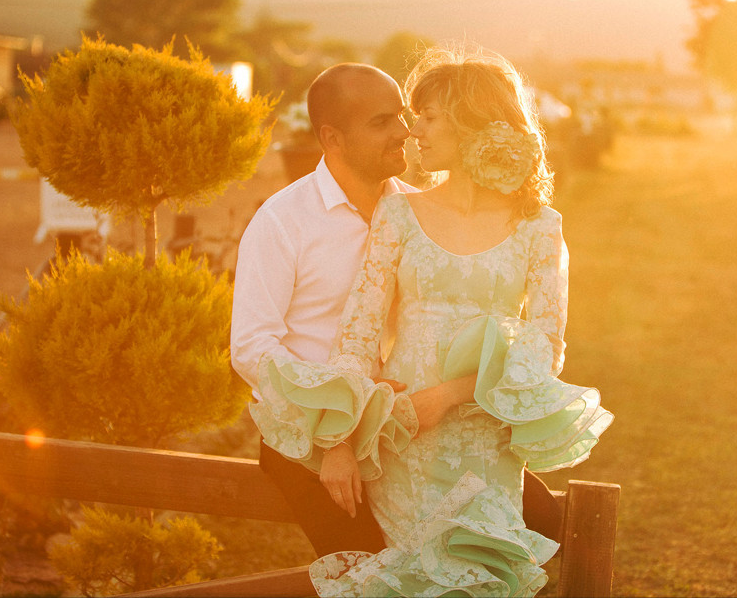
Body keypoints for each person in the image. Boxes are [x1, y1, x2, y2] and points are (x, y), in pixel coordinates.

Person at [249, 47, 613, 596]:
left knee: (479, 580)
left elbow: (544, 347)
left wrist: (448, 395)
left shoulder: (539, 227)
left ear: (472, 123)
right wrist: (342, 436)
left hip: (483, 441)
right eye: (403, 117)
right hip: (399, 440)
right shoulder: (398, 214)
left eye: (427, 116)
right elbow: (357, 336)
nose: (411, 130)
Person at [231, 62, 415, 556]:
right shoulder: (282, 222)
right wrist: (333, 432)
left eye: (402, 115)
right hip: (307, 436)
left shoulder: (421, 213)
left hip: (406, 422)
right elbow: (251, 347)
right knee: (370, 574)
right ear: (332, 139)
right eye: (382, 121)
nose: (404, 130)